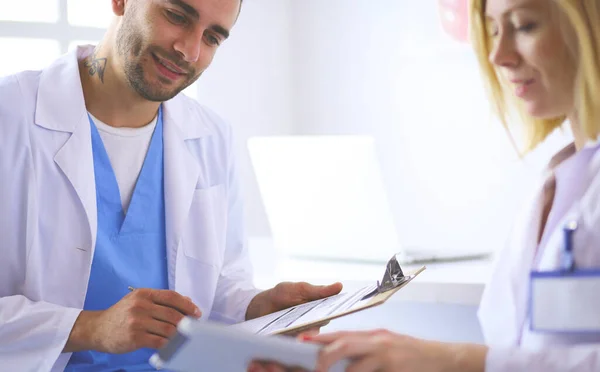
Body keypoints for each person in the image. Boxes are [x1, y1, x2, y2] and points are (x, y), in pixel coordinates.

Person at [252, 0, 600, 371]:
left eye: (526, 26)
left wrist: (448, 359)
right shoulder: (558, 181)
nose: (499, 55)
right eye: (495, 30)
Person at [0, 0, 342, 370]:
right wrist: (90, 328)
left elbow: (221, 284)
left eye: (212, 38)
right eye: (177, 16)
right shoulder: (11, 115)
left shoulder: (210, 136)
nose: (189, 51)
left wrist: (257, 308)